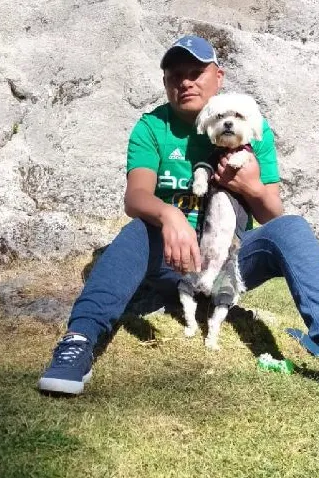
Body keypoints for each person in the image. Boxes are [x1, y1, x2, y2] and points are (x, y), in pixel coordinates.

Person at [38, 35, 319, 395]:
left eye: (196, 73)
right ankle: (78, 341)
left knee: (293, 227)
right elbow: (136, 196)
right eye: (174, 75)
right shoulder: (153, 127)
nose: (185, 82)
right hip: (174, 260)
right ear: (165, 83)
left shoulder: (250, 125)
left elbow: (273, 216)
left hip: (232, 261)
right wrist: (169, 215)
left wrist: (251, 188)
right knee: (139, 230)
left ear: (219, 76)